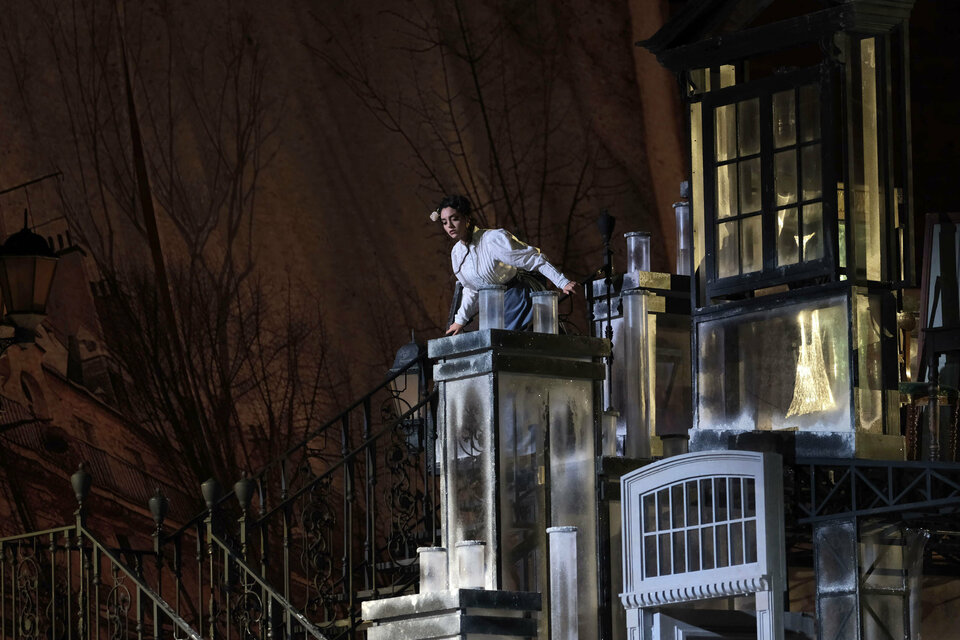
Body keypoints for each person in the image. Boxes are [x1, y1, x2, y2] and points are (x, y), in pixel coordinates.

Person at [432, 195, 577, 335]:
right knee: (492, 343)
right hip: (492, 308)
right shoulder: (456, 253)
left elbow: (532, 259)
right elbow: (471, 289)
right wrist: (460, 320)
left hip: (517, 299)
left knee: (511, 343)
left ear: (467, 218)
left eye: (455, 219)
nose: (449, 226)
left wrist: (562, 281)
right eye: (444, 222)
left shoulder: (492, 239)